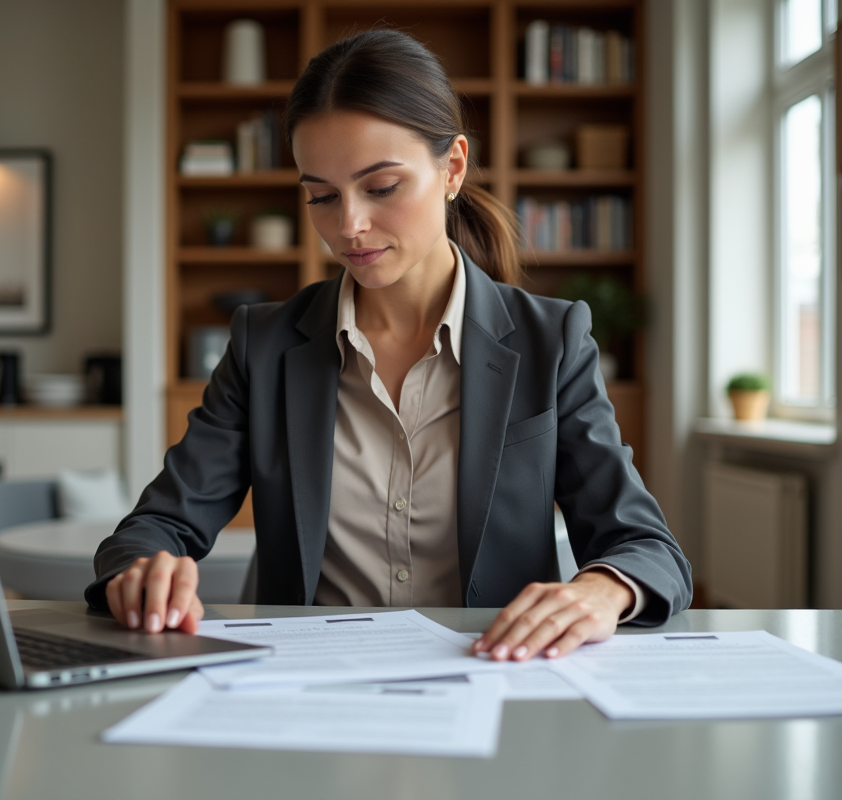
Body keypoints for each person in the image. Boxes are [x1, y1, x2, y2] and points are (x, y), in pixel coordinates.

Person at [85, 29, 691, 662]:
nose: (348, 225)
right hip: (306, 685)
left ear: (452, 167)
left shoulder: (551, 341)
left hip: (495, 679)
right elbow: (157, 526)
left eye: (381, 187)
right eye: (320, 195)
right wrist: (143, 570)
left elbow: (647, 547)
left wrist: (601, 589)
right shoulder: (263, 346)